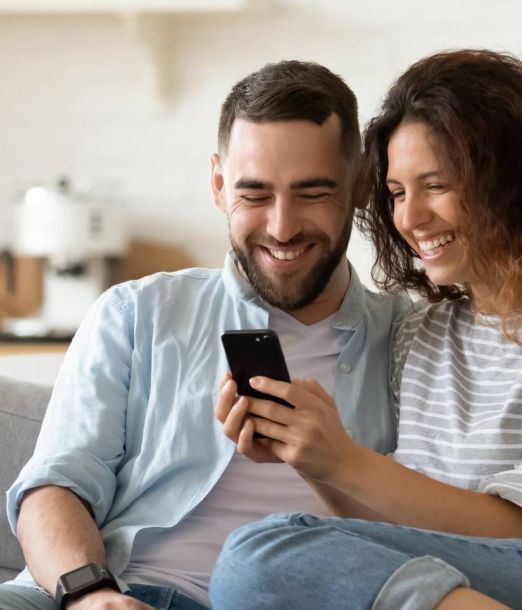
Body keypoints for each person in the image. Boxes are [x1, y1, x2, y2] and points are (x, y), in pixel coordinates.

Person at [0, 61, 411, 610]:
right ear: (219, 186)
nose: (282, 227)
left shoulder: (411, 340)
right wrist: (91, 595)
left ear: (360, 185)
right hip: (111, 590)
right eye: (255, 194)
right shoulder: (138, 313)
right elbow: (53, 488)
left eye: (311, 193)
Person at [209, 49, 522, 610]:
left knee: (262, 554)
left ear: (511, 181)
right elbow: (403, 528)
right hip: (471, 577)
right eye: (397, 193)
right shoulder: (421, 332)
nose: (410, 218)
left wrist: (346, 460)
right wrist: (315, 463)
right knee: (268, 559)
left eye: (436, 185)